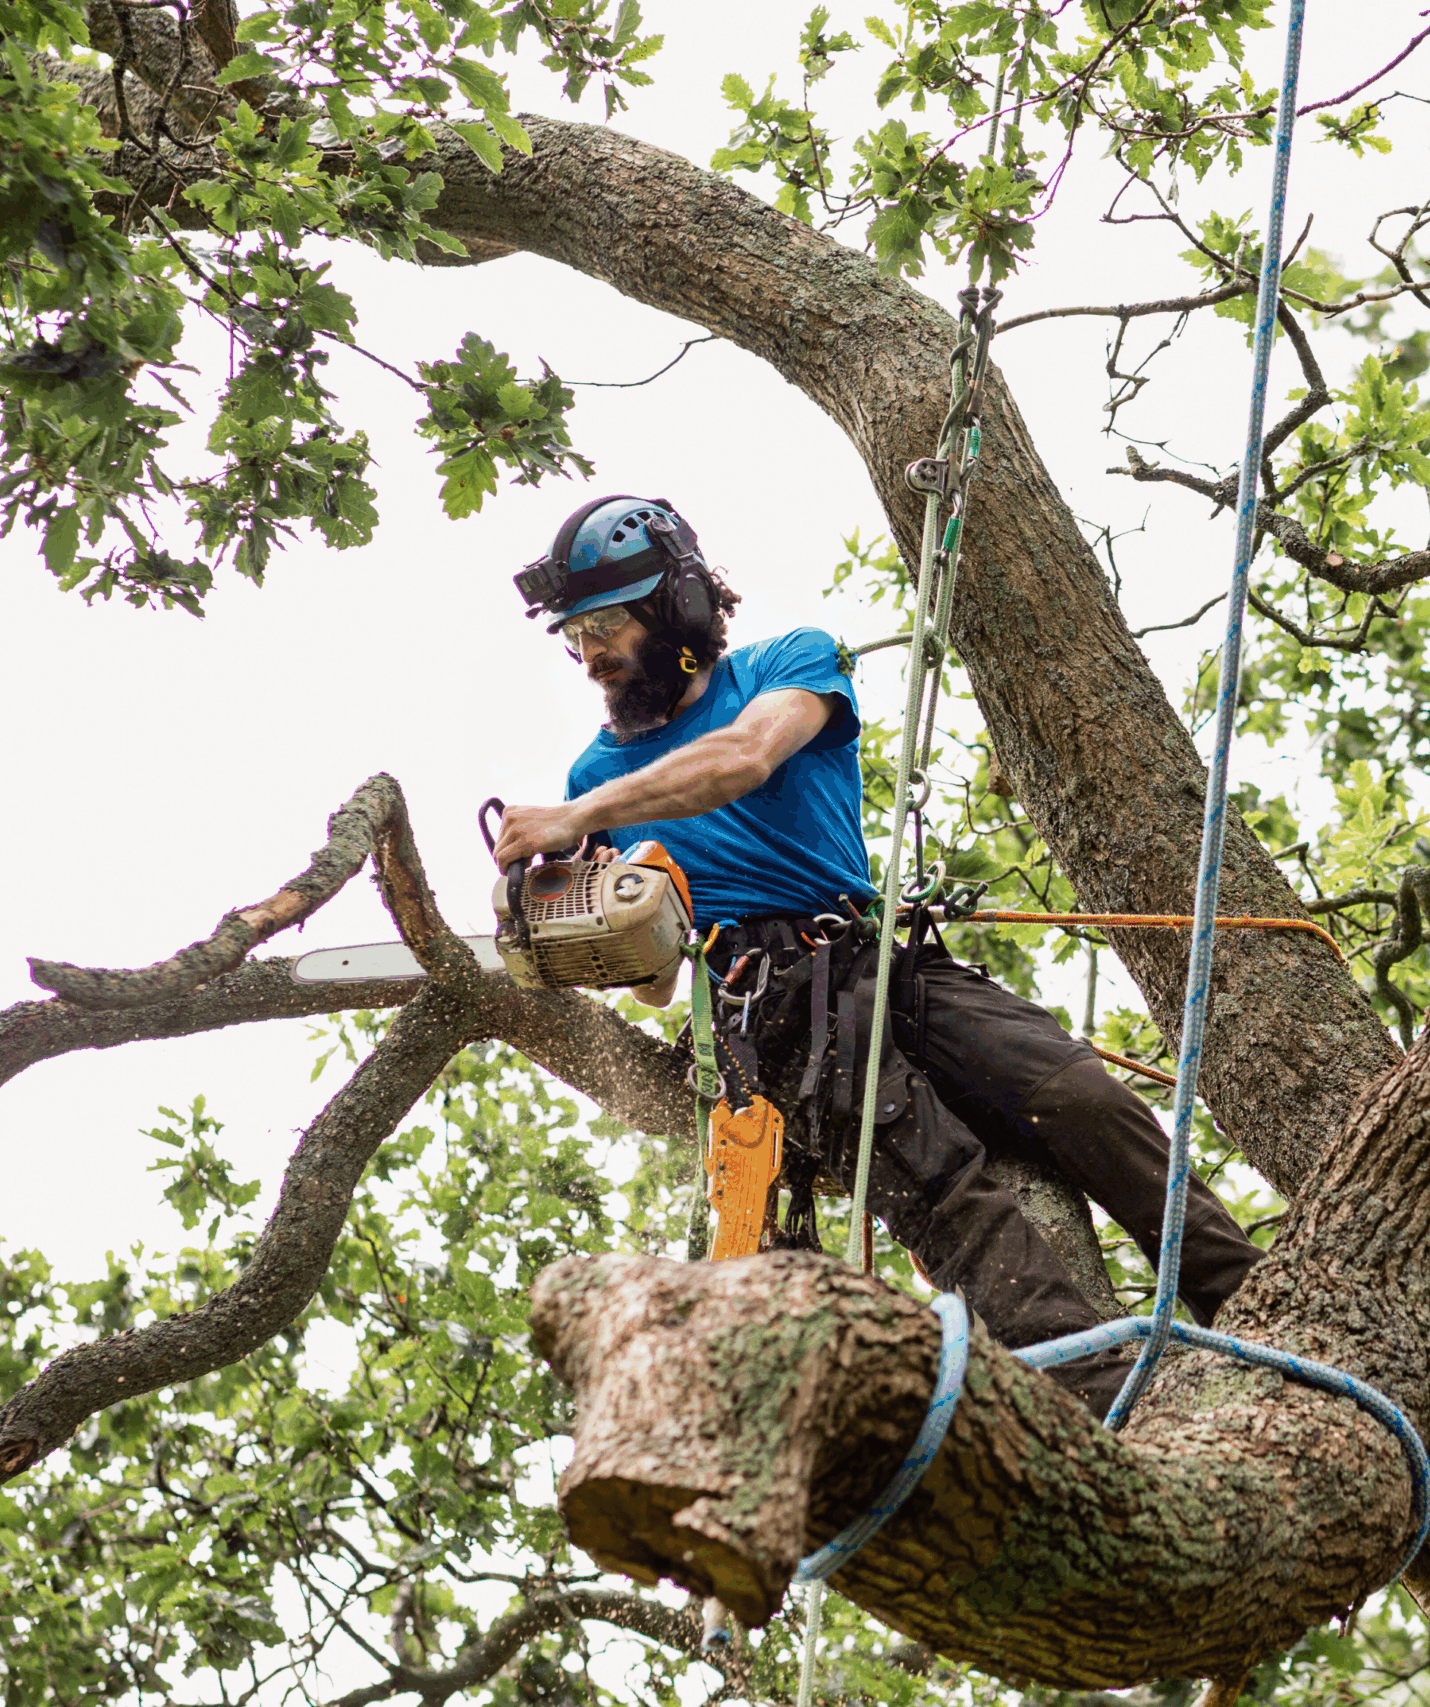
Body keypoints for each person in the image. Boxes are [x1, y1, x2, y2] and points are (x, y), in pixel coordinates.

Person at [490, 494, 1262, 1412]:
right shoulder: (597, 774)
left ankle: (1256, 1304)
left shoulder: (790, 665)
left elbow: (744, 758)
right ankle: (1106, 1398)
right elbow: (659, 986)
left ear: (681, 608)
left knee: (1078, 1092)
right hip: (771, 1001)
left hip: (877, 957)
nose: (592, 653)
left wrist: (582, 817)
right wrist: (589, 914)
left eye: (609, 623)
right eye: (577, 633)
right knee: (944, 1185)